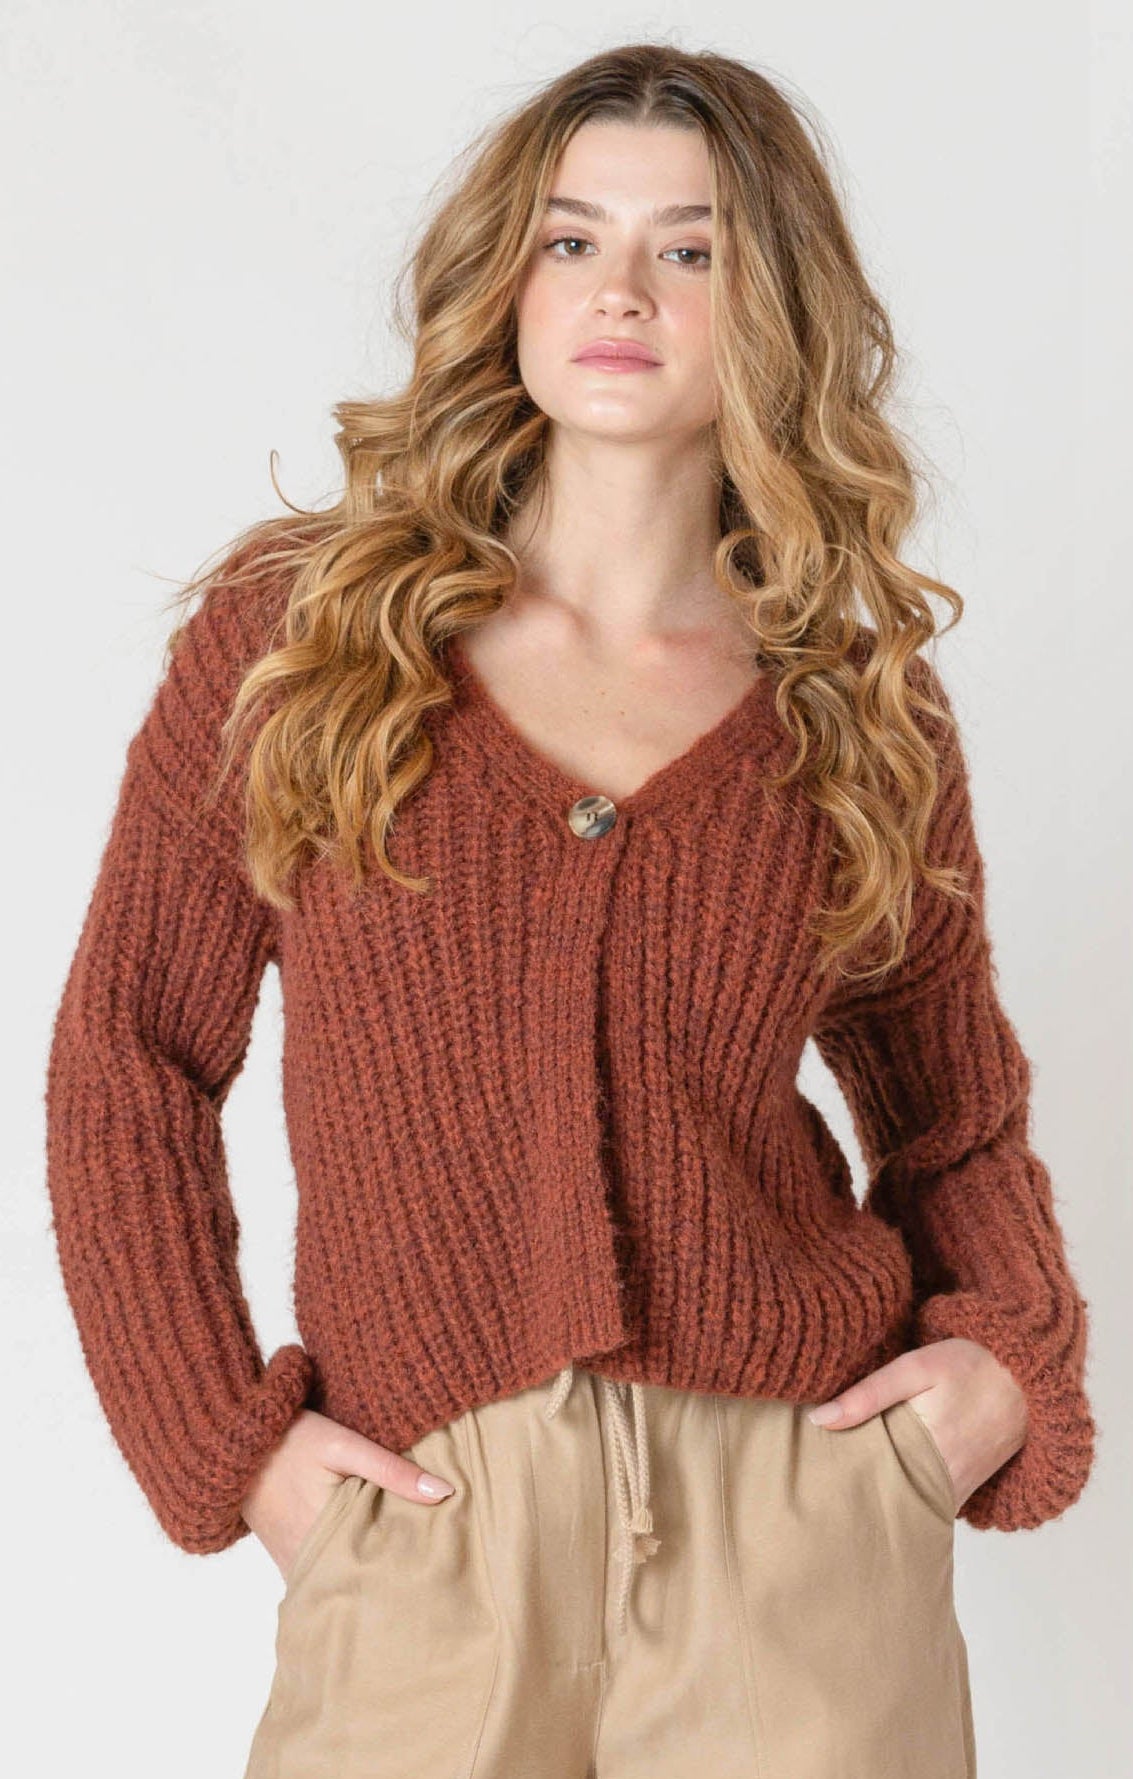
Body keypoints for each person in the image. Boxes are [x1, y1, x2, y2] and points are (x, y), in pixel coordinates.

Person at [44, 41, 1096, 1779]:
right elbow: (129, 1063)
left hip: (796, 1528)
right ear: (507, 281)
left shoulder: (849, 700)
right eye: (570, 239)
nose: (621, 291)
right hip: (424, 1521)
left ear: (771, 304)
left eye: (687, 248)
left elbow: (953, 1114)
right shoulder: (304, 641)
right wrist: (228, 1445)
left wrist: (1002, 1366)